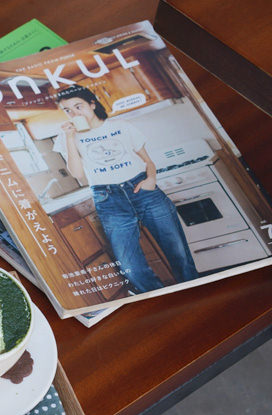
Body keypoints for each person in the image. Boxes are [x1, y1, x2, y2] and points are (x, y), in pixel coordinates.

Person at [53, 85, 198, 293]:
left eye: (79, 106)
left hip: (142, 189)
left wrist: (151, 179)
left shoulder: (121, 126)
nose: (74, 113)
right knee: (131, 268)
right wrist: (69, 138)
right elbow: (77, 173)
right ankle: (161, 297)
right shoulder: (68, 137)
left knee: (179, 253)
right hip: (108, 199)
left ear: (92, 104)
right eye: (67, 110)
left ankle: (194, 290)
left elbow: (148, 161)